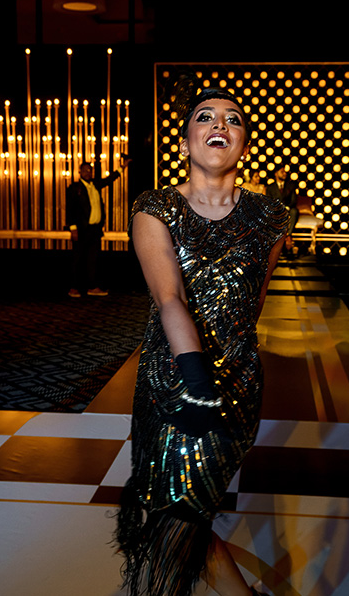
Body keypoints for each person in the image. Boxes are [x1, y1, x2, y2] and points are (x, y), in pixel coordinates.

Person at [116, 87, 286, 596]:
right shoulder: (155, 207)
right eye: (206, 117)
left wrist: (225, 374)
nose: (220, 124)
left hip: (236, 385)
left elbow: (254, 303)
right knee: (174, 512)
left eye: (233, 119)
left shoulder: (272, 217)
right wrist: (195, 379)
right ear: (186, 142)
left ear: (243, 144)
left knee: (185, 514)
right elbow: (170, 298)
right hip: (172, 382)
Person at [65, 158, 129, 297]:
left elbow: (109, 180)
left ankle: (92, 287)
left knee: (92, 259)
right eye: (85, 170)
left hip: (94, 229)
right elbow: (70, 209)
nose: (88, 173)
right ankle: (73, 288)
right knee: (77, 259)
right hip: (81, 229)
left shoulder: (95, 184)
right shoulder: (75, 188)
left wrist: (122, 167)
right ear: (79, 172)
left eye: (90, 170)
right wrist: (73, 228)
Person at [267, 165, 299, 254]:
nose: (284, 174)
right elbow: (269, 202)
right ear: (276, 174)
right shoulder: (270, 187)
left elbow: (293, 200)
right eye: (282, 172)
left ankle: (288, 235)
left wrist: (286, 207)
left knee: (294, 211)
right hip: (276, 210)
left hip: (288, 209)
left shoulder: (291, 186)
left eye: (285, 172)